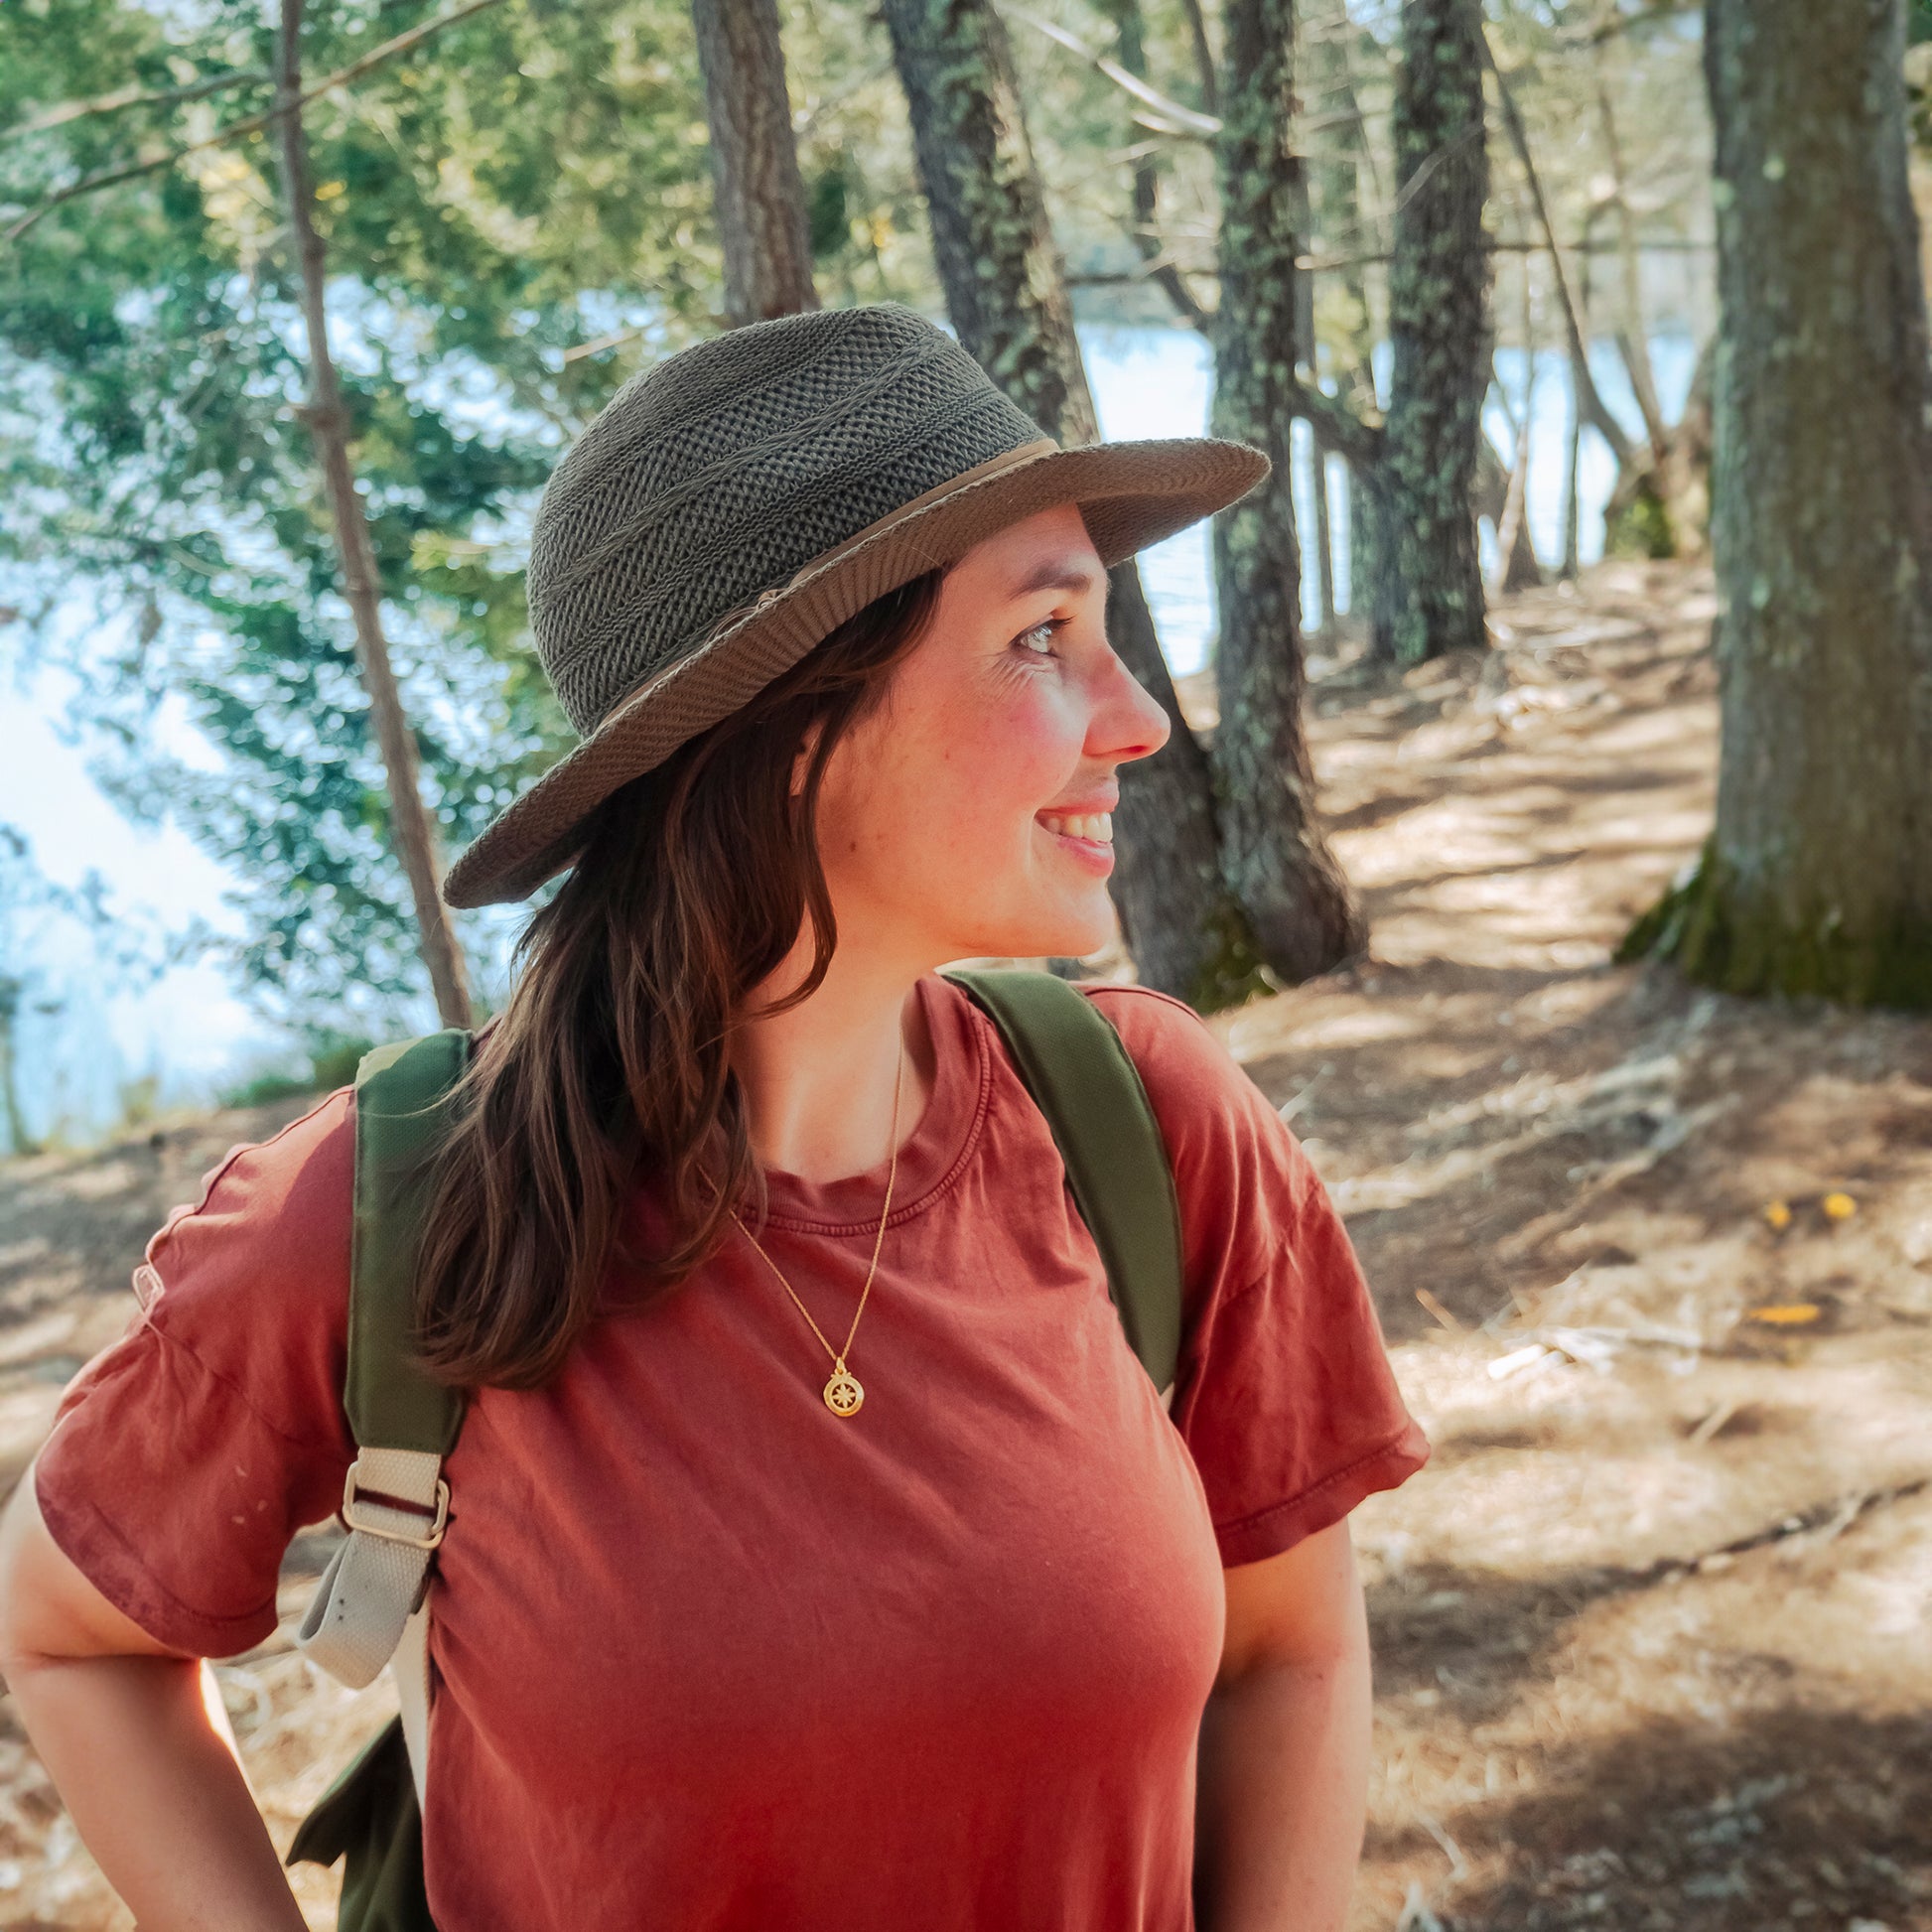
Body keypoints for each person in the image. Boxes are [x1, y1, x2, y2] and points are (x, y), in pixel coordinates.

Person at [0, 302, 1429, 1932]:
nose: (1137, 717)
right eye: (1044, 637)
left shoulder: (1151, 1130)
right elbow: (65, 1632)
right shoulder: (388, 1207)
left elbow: (1288, 1654)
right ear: (797, 718)